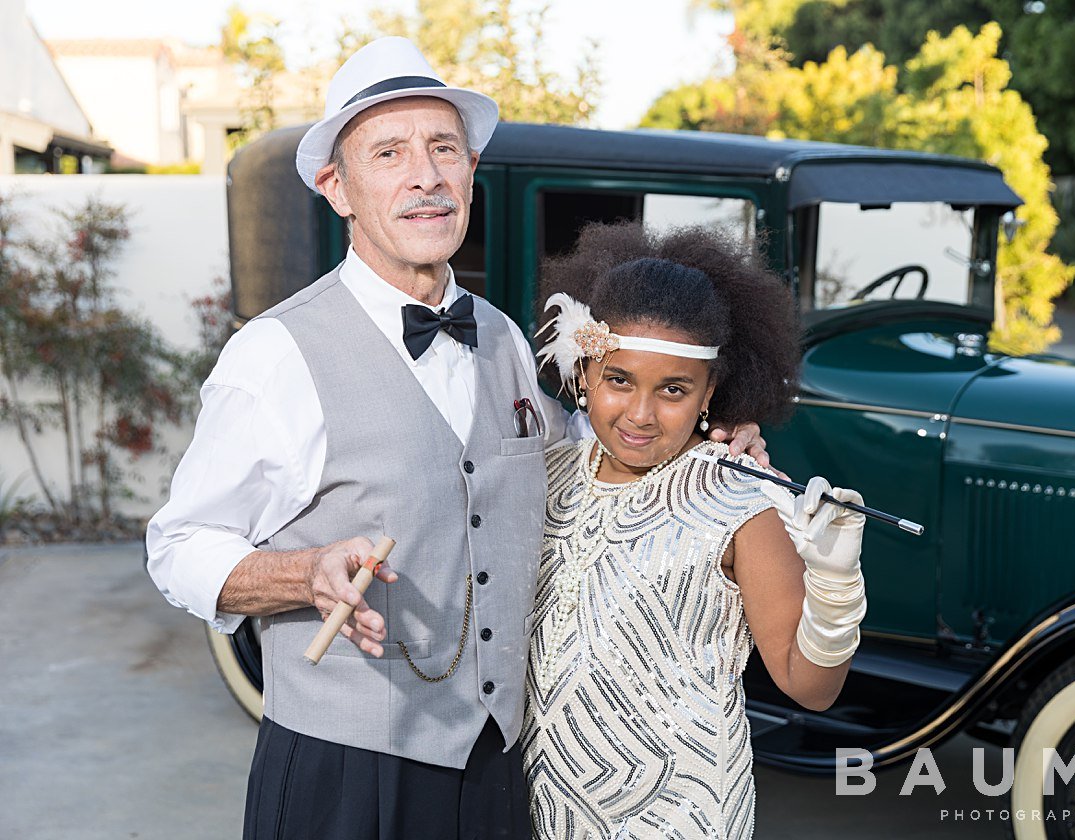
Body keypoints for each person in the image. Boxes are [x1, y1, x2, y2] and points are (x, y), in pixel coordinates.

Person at [145, 37, 766, 840]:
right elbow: (179, 544)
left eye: (444, 148)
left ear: (470, 170)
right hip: (346, 768)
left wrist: (707, 449)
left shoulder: (506, 338)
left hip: (496, 762)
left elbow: (584, 464)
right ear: (338, 187)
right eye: (389, 152)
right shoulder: (274, 354)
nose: (425, 176)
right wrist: (304, 573)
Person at [523, 222, 869, 839]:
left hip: (680, 816)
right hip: (542, 810)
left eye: (673, 391)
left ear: (711, 392)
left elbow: (810, 689)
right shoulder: (544, 478)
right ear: (583, 370)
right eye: (619, 380)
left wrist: (836, 582)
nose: (640, 414)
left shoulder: (741, 506)